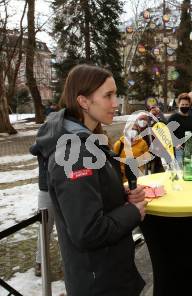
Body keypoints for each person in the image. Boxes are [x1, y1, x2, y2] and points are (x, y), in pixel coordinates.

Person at [36, 64, 146, 295]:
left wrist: (122, 197)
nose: (115, 103)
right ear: (84, 102)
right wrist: (133, 212)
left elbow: (89, 197)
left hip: (108, 273)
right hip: (98, 283)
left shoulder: (88, 141)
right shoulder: (74, 152)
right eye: (108, 95)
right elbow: (88, 231)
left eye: (115, 94)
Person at [29, 142, 56, 277]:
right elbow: (33, 150)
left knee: (68, 228)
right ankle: (40, 262)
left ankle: (71, 260)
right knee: (45, 228)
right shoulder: (43, 139)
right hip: (46, 190)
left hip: (65, 189)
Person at [167, 93, 192, 166]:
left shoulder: (191, 118)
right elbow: (167, 134)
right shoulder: (173, 118)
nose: (184, 106)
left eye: (186, 105)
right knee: (180, 171)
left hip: (189, 149)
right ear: (178, 104)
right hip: (178, 150)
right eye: (182, 105)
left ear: (189, 105)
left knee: (188, 172)